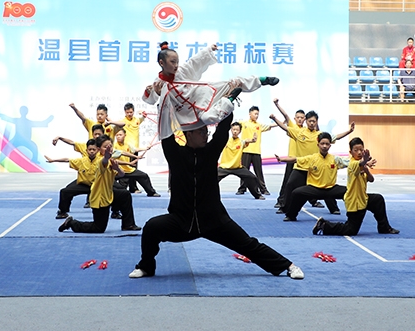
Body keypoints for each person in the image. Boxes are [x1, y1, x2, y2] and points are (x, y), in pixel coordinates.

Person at [128, 113, 304, 280]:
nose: (206, 134)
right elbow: (165, 129)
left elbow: (223, 126)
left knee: (248, 244)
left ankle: (288, 266)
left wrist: (230, 97)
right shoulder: (175, 154)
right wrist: (164, 98)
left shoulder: (211, 152)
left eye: (207, 131)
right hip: (181, 221)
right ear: (188, 134)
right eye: (201, 131)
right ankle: (146, 267)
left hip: (214, 220)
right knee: (151, 228)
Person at [142, 44, 279, 140]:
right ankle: (229, 99)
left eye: (177, 61)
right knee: (209, 118)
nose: (176, 65)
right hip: (187, 113)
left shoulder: (181, 71)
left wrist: (208, 50)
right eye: (172, 62)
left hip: (201, 96)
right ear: (162, 62)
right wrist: (154, 92)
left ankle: (261, 80)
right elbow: (151, 99)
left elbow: (194, 62)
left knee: (231, 83)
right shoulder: (158, 83)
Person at [311, 138, 399, 236]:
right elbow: (358, 164)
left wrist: (366, 169)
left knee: (377, 199)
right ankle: (323, 225)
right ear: (351, 152)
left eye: (361, 150)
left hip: (363, 198)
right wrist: (364, 161)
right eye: (356, 150)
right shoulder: (352, 164)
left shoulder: (362, 165)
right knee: (350, 230)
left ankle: (384, 228)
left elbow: (371, 179)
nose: (359, 152)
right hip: (355, 202)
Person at [59, 135, 141, 233]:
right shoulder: (100, 161)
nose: (109, 148)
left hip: (108, 193)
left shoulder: (112, 160)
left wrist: (117, 168)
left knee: (125, 195)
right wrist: (106, 156)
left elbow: (122, 174)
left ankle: (128, 224)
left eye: (110, 146)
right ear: (98, 149)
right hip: (99, 197)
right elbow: (104, 162)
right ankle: (71, 223)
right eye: (105, 147)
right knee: (98, 228)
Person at [276, 132, 350, 222]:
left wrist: (364, 162)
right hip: (314, 189)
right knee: (296, 192)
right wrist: (281, 159)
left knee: (349, 191)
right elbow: (296, 159)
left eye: (327, 144)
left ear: (330, 145)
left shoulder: (335, 159)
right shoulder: (312, 158)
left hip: (330, 189)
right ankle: (291, 215)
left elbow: (351, 163)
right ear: (318, 145)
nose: (324, 146)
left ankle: (352, 215)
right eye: (322, 144)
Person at [46, 138, 102, 219]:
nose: (92, 151)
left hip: (97, 186)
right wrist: (53, 160)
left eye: (94, 149)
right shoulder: (82, 161)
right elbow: (67, 159)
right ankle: (63, 212)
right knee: (65, 191)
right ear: (86, 150)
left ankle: (115, 212)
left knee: (118, 192)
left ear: (98, 150)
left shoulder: (102, 161)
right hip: (83, 184)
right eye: (90, 149)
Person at [271, 99, 306, 209]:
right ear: (295, 119)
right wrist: (277, 104)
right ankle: (281, 201)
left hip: (303, 160)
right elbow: (285, 115)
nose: (300, 119)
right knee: (287, 181)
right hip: (292, 159)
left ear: (305, 119)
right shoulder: (292, 127)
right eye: (298, 117)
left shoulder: (307, 130)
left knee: (310, 182)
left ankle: (313, 201)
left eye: (302, 117)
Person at [218, 122, 265, 199]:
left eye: (237, 130)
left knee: (252, 177)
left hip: (237, 168)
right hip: (224, 167)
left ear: (240, 131)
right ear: (231, 130)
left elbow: (249, 140)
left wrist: (253, 140)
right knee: (211, 178)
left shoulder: (241, 142)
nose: (235, 131)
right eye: (233, 129)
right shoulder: (225, 141)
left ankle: (257, 195)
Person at [113, 128, 160, 197]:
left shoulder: (127, 145)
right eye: (117, 135)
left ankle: (151, 192)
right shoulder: (113, 146)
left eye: (120, 135)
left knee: (143, 176)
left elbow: (135, 149)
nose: (118, 136)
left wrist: (146, 148)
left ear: (125, 135)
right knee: (121, 191)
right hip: (116, 171)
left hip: (128, 170)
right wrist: (136, 157)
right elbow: (122, 153)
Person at [236, 106, 272, 196]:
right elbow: (234, 126)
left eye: (257, 114)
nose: (256, 116)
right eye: (255, 114)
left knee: (258, 172)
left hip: (256, 151)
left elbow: (270, 126)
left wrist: (281, 123)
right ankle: (242, 188)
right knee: (244, 171)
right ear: (250, 113)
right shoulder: (243, 123)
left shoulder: (259, 125)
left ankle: (263, 189)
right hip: (246, 151)